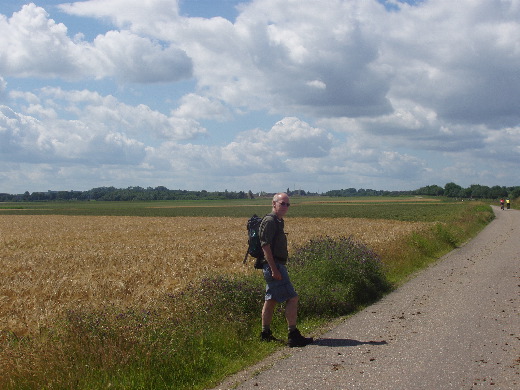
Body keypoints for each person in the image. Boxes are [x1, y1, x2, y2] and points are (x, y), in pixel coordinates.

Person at [258, 192, 313, 348]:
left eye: (288, 204)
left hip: (274, 265)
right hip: (274, 266)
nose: (285, 207)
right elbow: (265, 246)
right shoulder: (269, 221)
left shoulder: (278, 221)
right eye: (282, 203)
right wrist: (274, 269)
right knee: (293, 298)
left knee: (271, 300)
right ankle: (293, 335)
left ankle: (265, 334)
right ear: (274, 203)